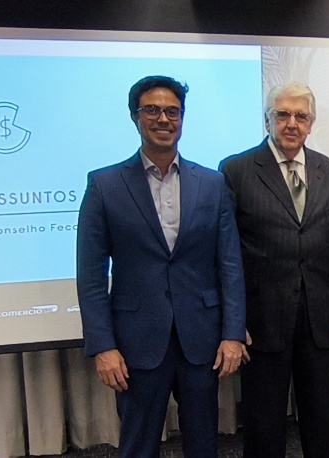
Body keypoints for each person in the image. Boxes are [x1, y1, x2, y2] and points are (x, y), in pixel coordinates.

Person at [76, 75, 247, 456]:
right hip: (136, 343)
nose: (163, 119)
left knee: (204, 443)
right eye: (152, 110)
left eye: (173, 111)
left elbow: (230, 264)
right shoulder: (104, 185)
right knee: (138, 444)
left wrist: (233, 334)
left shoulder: (212, 183)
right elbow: (90, 277)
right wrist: (103, 346)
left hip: (201, 340)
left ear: (182, 118)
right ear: (135, 117)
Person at [219, 82, 329, 458]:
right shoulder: (236, 170)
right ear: (268, 120)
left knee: (319, 420)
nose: (292, 123)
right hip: (262, 320)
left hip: (320, 318)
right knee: (264, 425)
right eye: (283, 114)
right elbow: (226, 254)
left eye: (301, 116)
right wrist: (233, 321)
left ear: (311, 123)